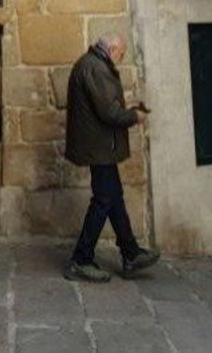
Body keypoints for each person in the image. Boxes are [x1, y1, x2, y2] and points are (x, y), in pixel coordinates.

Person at [62, 33, 159, 282]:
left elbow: (104, 103)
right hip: (99, 146)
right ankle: (81, 260)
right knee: (104, 199)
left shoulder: (92, 64)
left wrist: (126, 104)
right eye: (122, 53)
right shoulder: (96, 67)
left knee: (113, 196)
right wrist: (135, 116)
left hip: (100, 145)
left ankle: (131, 253)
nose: (122, 57)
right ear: (112, 49)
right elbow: (109, 113)